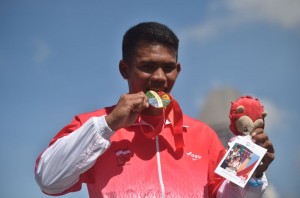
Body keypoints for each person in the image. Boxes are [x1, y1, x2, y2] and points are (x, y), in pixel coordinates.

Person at [35, 22, 275, 197]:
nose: (160, 78)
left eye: (168, 68)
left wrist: (253, 172)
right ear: (124, 69)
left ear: (178, 70)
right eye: (147, 67)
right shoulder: (97, 124)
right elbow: (48, 181)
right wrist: (109, 125)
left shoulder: (204, 134)